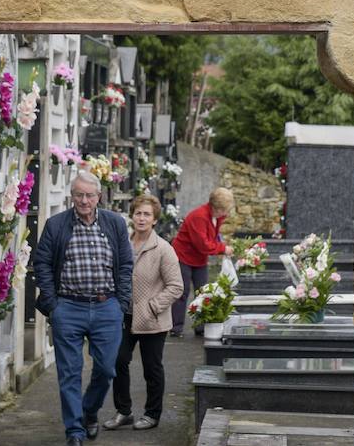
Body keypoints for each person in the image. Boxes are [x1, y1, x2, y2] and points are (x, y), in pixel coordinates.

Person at [33, 171, 134, 446]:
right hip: (68, 307)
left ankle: (89, 410)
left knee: (107, 368)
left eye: (89, 195)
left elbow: (125, 265)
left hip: (107, 307)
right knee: (69, 372)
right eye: (79, 195)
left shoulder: (114, 223)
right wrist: (54, 306)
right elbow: (41, 263)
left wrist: (121, 304)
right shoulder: (56, 225)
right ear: (72, 196)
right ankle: (74, 431)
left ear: (99, 196)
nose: (84, 201)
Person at [103, 194, 183, 432]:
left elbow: (176, 286)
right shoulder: (122, 244)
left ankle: (152, 414)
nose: (142, 218)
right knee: (117, 361)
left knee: (152, 368)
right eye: (138, 213)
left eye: (147, 214)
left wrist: (152, 306)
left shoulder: (164, 249)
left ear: (155, 219)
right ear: (132, 216)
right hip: (124, 316)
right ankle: (124, 411)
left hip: (152, 319)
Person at [169, 187, 235, 337]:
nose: (226, 214)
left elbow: (213, 237)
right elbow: (203, 244)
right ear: (216, 208)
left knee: (203, 292)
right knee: (182, 292)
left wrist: (219, 245)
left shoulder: (216, 217)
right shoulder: (199, 216)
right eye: (225, 210)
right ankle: (176, 327)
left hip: (199, 258)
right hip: (183, 256)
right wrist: (223, 248)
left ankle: (201, 326)